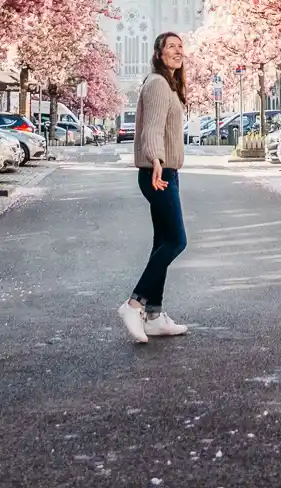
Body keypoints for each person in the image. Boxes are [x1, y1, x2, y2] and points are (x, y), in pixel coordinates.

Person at [118, 30, 189, 343]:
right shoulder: (159, 84)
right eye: (170, 46)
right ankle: (134, 304)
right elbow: (152, 129)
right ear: (159, 54)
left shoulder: (168, 84)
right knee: (176, 241)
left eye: (180, 46)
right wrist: (157, 161)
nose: (177, 50)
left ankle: (155, 315)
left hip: (165, 172)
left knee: (162, 241)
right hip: (157, 172)